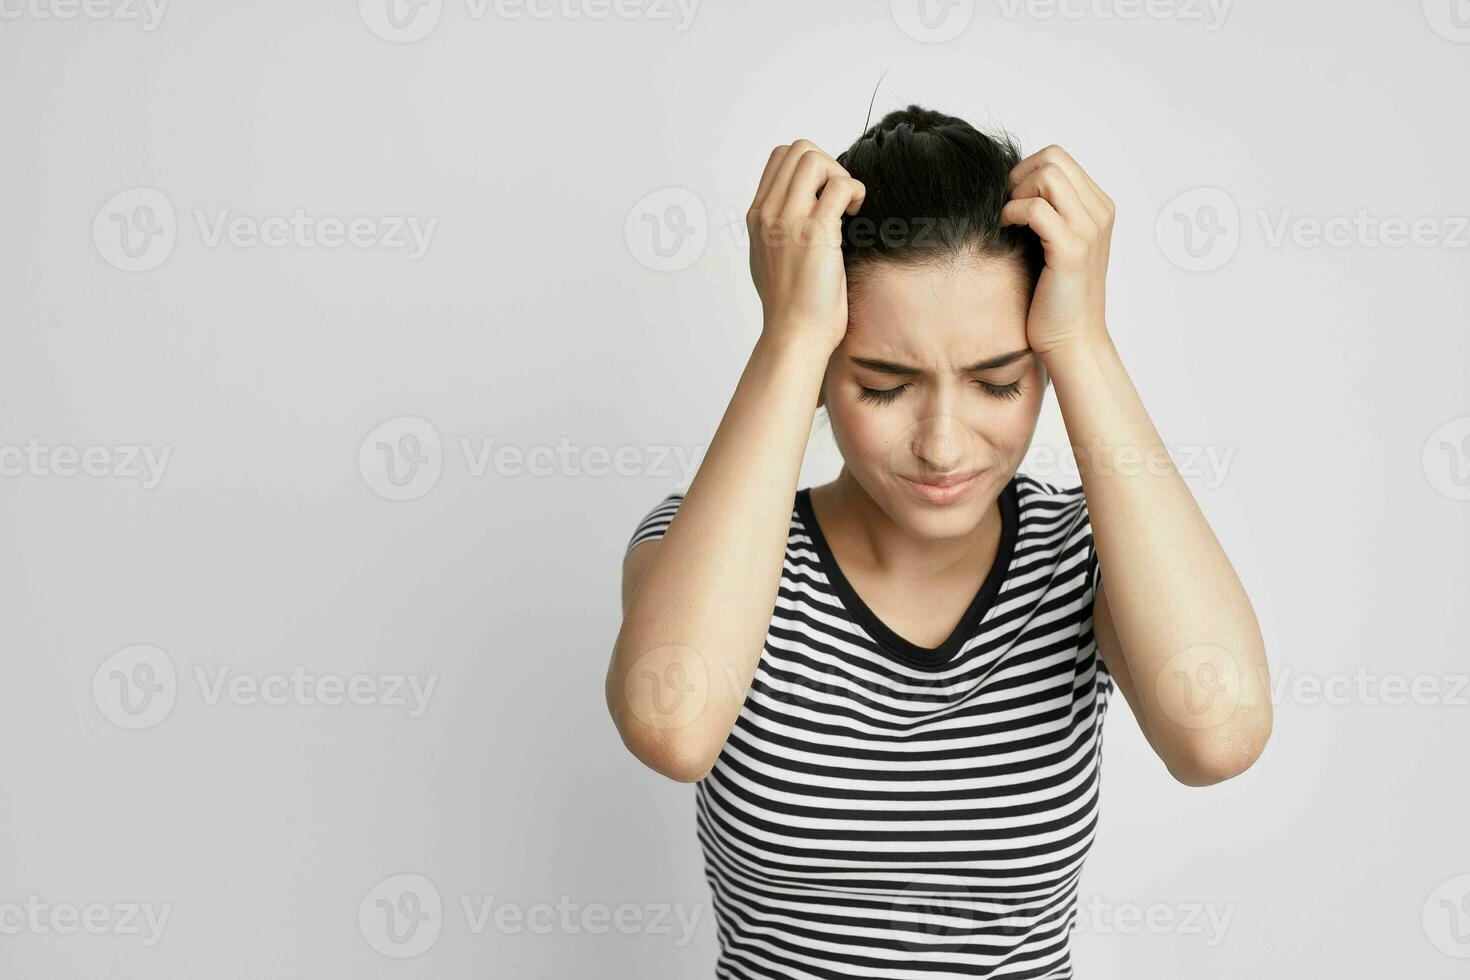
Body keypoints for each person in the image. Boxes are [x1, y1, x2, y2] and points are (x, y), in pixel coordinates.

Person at [605, 103, 1273, 978]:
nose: (944, 445)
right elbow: (672, 724)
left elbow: (1216, 734)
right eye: (885, 385)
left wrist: (1084, 340)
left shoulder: (1081, 554)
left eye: (999, 383)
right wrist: (790, 335)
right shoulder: (715, 549)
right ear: (823, 374)